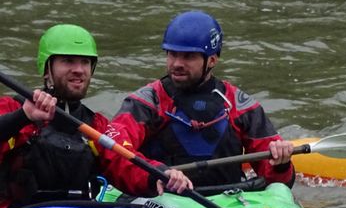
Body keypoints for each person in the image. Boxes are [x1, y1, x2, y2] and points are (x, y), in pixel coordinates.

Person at [0, 24, 186, 208]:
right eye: (68, 61)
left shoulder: (96, 126)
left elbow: (124, 162)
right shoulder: (12, 109)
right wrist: (23, 116)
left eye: (85, 62)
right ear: (47, 69)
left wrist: (159, 174)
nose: (79, 70)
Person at [105, 10, 295, 191]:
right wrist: (158, 172)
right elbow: (115, 151)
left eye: (188, 56)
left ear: (211, 60)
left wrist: (281, 163)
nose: (177, 64)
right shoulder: (146, 102)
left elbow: (277, 181)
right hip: (164, 200)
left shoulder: (239, 104)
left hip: (229, 198)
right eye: (172, 54)